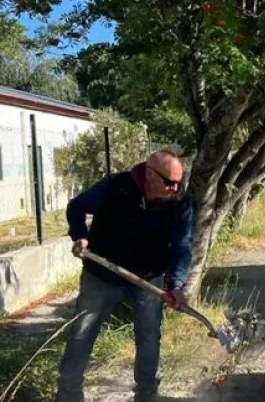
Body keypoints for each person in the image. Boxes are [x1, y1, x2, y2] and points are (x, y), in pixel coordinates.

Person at [55, 150, 193, 402]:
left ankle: (146, 394)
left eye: (179, 182)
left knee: (149, 332)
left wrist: (176, 284)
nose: (176, 188)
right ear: (150, 175)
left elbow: (182, 247)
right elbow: (77, 206)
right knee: (82, 333)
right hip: (102, 274)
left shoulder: (179, 203)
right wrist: (80, 235)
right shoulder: (116, 187)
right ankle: (68, 395)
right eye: (170, 182)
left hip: (149, 276)